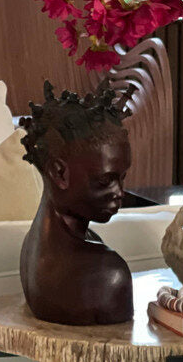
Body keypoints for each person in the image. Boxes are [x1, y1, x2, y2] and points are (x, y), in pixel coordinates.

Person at [19, 81, 134, 325]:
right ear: (59, 173)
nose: (120, 193)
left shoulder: (31, 246)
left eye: (122, 178)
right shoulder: (107, 275)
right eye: (105, 181)